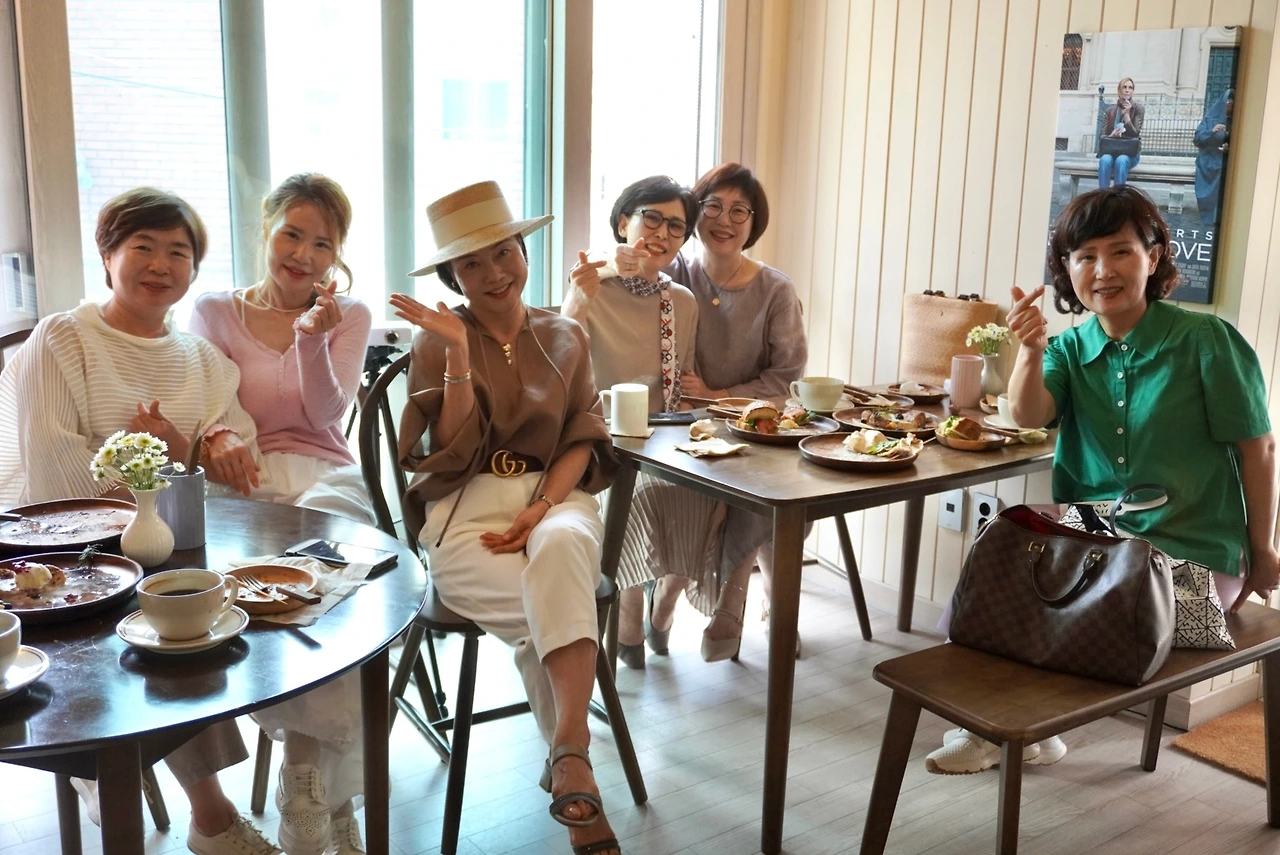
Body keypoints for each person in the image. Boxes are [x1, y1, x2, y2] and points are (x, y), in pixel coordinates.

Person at [927, 185, 1278, 775]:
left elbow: (1259, 450)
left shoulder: (1205, 341)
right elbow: (1030, 415)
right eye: (1084, 256)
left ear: (1154, 257)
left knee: (1076, 609)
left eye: (1120, 251)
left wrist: (1263, 550)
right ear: (1067, 268)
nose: (1102, 270)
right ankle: (1003, 725)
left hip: (1194, 549)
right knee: (996, 575)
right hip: (1096, 542)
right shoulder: (1069, 349)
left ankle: (1009, 729)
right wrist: (1031, 349)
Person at [0, 188, 280, 855]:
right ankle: (186, 802)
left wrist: (206, 441)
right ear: (107, 255)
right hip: (48, 563)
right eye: (142, 246)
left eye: (178, 252)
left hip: (166, 550)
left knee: (186, 610)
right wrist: (156, 470)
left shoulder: (203, 359)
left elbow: (240, 467)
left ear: (194, 267)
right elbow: (53, 487)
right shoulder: (62, 338)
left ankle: (161, 791)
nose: (160, 264)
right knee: (167, 614)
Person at [392, 180, 622, 855]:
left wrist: (543, 506)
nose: (494, 273)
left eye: (503, 253)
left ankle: (570, 753)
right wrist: (458, 356)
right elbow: (452, 451)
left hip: (555, 497)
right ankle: (573, 763)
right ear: (453, 277)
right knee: (556, 608)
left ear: (523, 251)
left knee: (561, 551)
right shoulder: (437, 340)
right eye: (472, 263)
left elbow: (582, 435)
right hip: (466, 510)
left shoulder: (567, 333)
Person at [188, 173, 373, 855]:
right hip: (246, 482)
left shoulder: (349, 315)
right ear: (265, 228)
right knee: (274, 587)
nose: (304, 254)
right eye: (292, 234)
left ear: (337, 254)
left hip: (328, 477)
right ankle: (332, 799)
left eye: (322, 244)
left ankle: (306, 778)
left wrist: (310, 337)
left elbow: (326, 416)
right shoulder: (213, 311)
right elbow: (199, 400)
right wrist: (214, 432)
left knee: (327, 587)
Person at [608, 162, 808, 662]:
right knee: (668, 494)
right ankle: (643, 614)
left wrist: (720, 395)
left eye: (740, 210)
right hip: (674, 429)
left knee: (752, 491)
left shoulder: (776, 290)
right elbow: (616, 294)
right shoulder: (670, 274)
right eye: (713, 206)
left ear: (754, 222)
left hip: (750, 428)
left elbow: (787, 379)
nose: (724, 219)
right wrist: (612, 262)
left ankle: (691, 606)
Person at [561, 176, 709, 669]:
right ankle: (628, 609)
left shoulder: (681, 302)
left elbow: (682, 384)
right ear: (624, 222)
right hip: (601, 445)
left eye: (676, 226)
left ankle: (663, 604)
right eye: (652, 218)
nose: (662, 233)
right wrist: (583, 293)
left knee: (716, 497)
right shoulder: (589, 284)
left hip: (666, 439)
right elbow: (560, 367)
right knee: (640, 496)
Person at [1194, 88, 1233, 225]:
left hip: (1225, 160)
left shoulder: (1238, 121)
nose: (1230, 107)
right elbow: (1197, 139)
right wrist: (1212, 131)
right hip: (1208, 159)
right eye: (1228, 104)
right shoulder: (1210, 119)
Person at [1097, 77, 1144, 188]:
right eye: (1124, 87)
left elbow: (1135, 134)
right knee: (1105, 160)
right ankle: (1103, 195)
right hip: (1111, 150)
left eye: (1130, 88)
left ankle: (1118, 195)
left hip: (1129, 152)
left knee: (1121, 160)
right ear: (1119, 91)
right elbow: (1101, 136)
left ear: (1133, 91)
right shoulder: (1110, 110)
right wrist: (1111, 136)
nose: (1127, 90)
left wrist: (1127, 115)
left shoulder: (1138, 109)